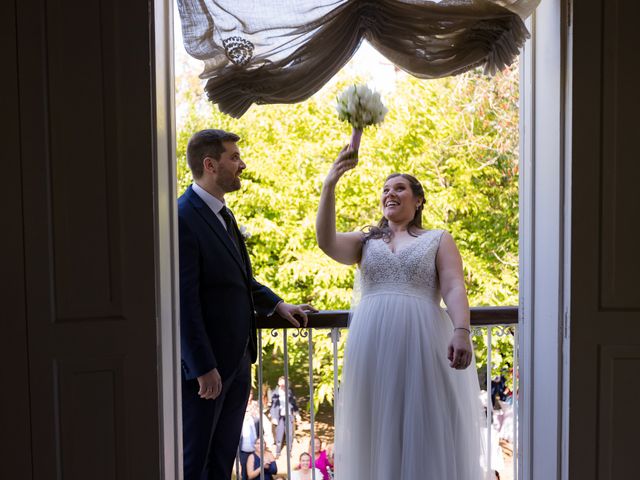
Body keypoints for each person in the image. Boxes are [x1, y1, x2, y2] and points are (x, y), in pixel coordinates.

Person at [315, 146, 485, 479]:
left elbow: (453, 287)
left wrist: (461, 330)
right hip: (373, 342)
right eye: (385, 189)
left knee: (425, 423)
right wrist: (329, 184)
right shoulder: (366, 241)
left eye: (399, 188)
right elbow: (326, 241)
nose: (390, 193)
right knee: (378, 423)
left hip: (422, 342)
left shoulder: (438, 239)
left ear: (418, 200)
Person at [179, 129, 314, 479]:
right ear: (210, 164)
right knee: (195, 462)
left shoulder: (224, 215)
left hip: (239, 363)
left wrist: (278, 304)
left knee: (221, 463)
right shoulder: (182, 217)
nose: (242, 164)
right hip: (207, 371)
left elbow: (239, 280)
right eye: (234, 157)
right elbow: (183, 299)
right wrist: (202, 366)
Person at [270, 376, 300, 457]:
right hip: (279, 417)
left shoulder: (290, 392)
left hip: (289, 416)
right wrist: (273, 417)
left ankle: (289, 451)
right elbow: (273, 407)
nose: (283, 385)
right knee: (279, 433)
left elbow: (294, 404)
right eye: (282, 383)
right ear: (279, 383)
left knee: (289, 433)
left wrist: (297, 414)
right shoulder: (275, 393)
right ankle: (278, 452)